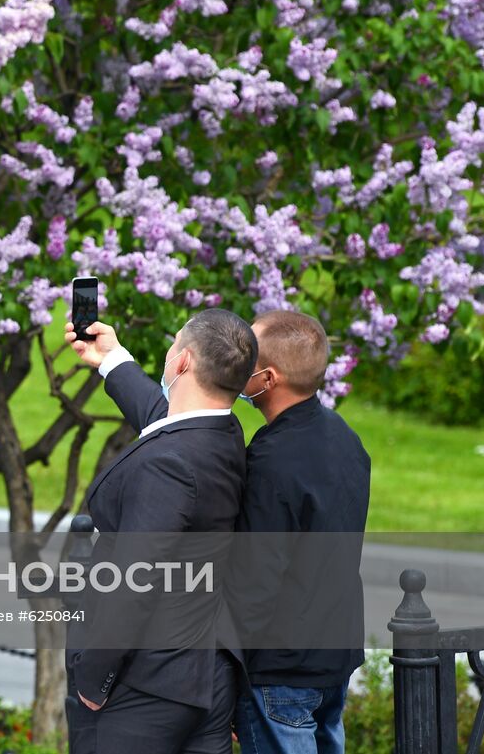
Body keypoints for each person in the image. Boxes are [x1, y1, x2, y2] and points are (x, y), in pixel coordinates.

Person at [69, 310, 371, 754]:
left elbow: (247, 583)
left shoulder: (265, 461)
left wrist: (96, 676)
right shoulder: (323, 437)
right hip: (329, 657)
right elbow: (177, 424)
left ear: (266, 378)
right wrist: (113, 359)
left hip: (264, 676)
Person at [63, 308, 255, 754]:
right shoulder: (223, 432)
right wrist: (110, 358)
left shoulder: (168, 466)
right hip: (204, 678)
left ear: (183, 361)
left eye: (172, 346)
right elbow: (167, 418)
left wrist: (94, 678)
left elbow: (134, 582)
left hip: (146, 688)